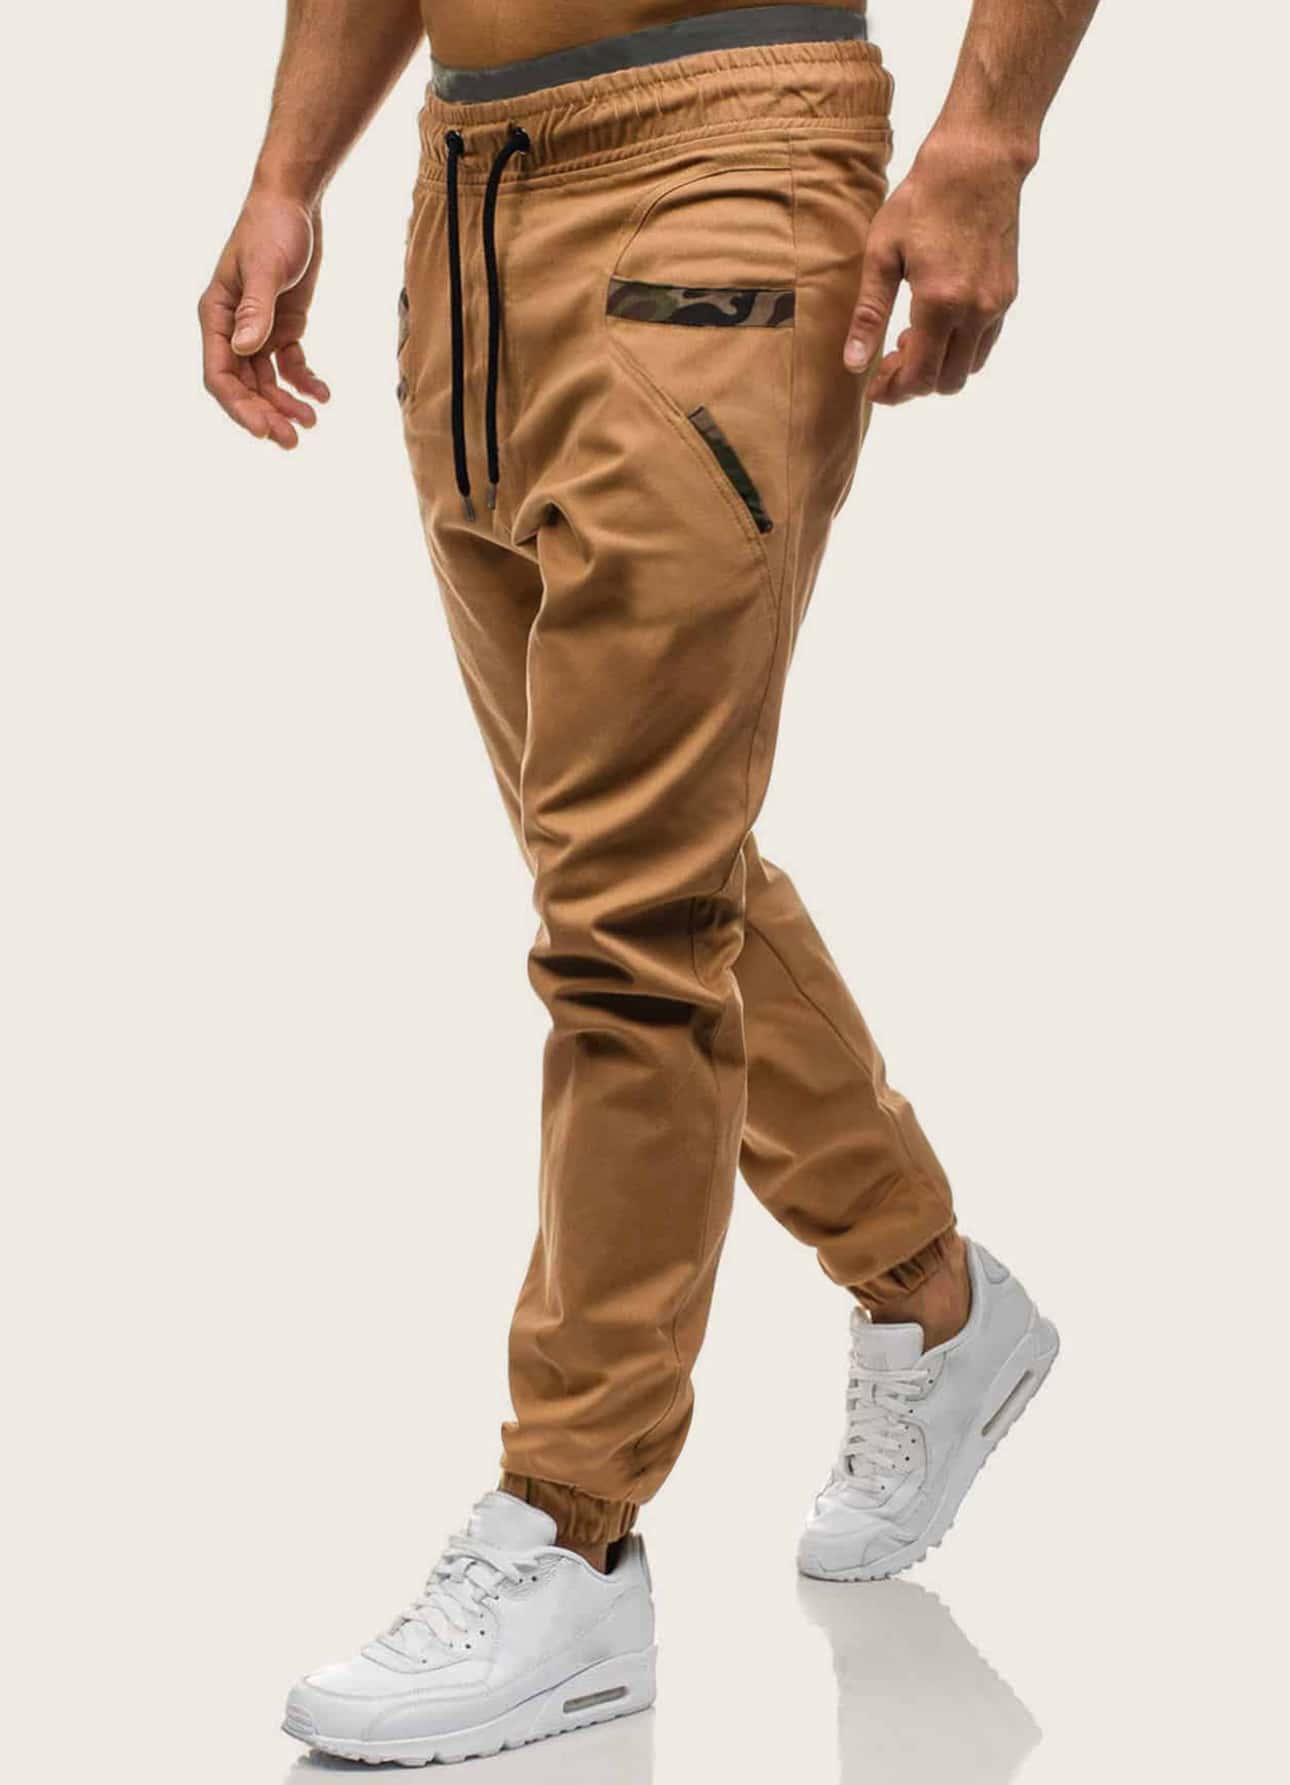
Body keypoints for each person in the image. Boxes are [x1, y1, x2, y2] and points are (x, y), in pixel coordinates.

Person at [200, 0, 1094, 1765]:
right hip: (471, 193)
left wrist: (992, 136)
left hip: (726, 160)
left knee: (625, 918)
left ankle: (572, 1529)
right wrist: (289, 168)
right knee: (632, 862)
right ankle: (938, 1297)